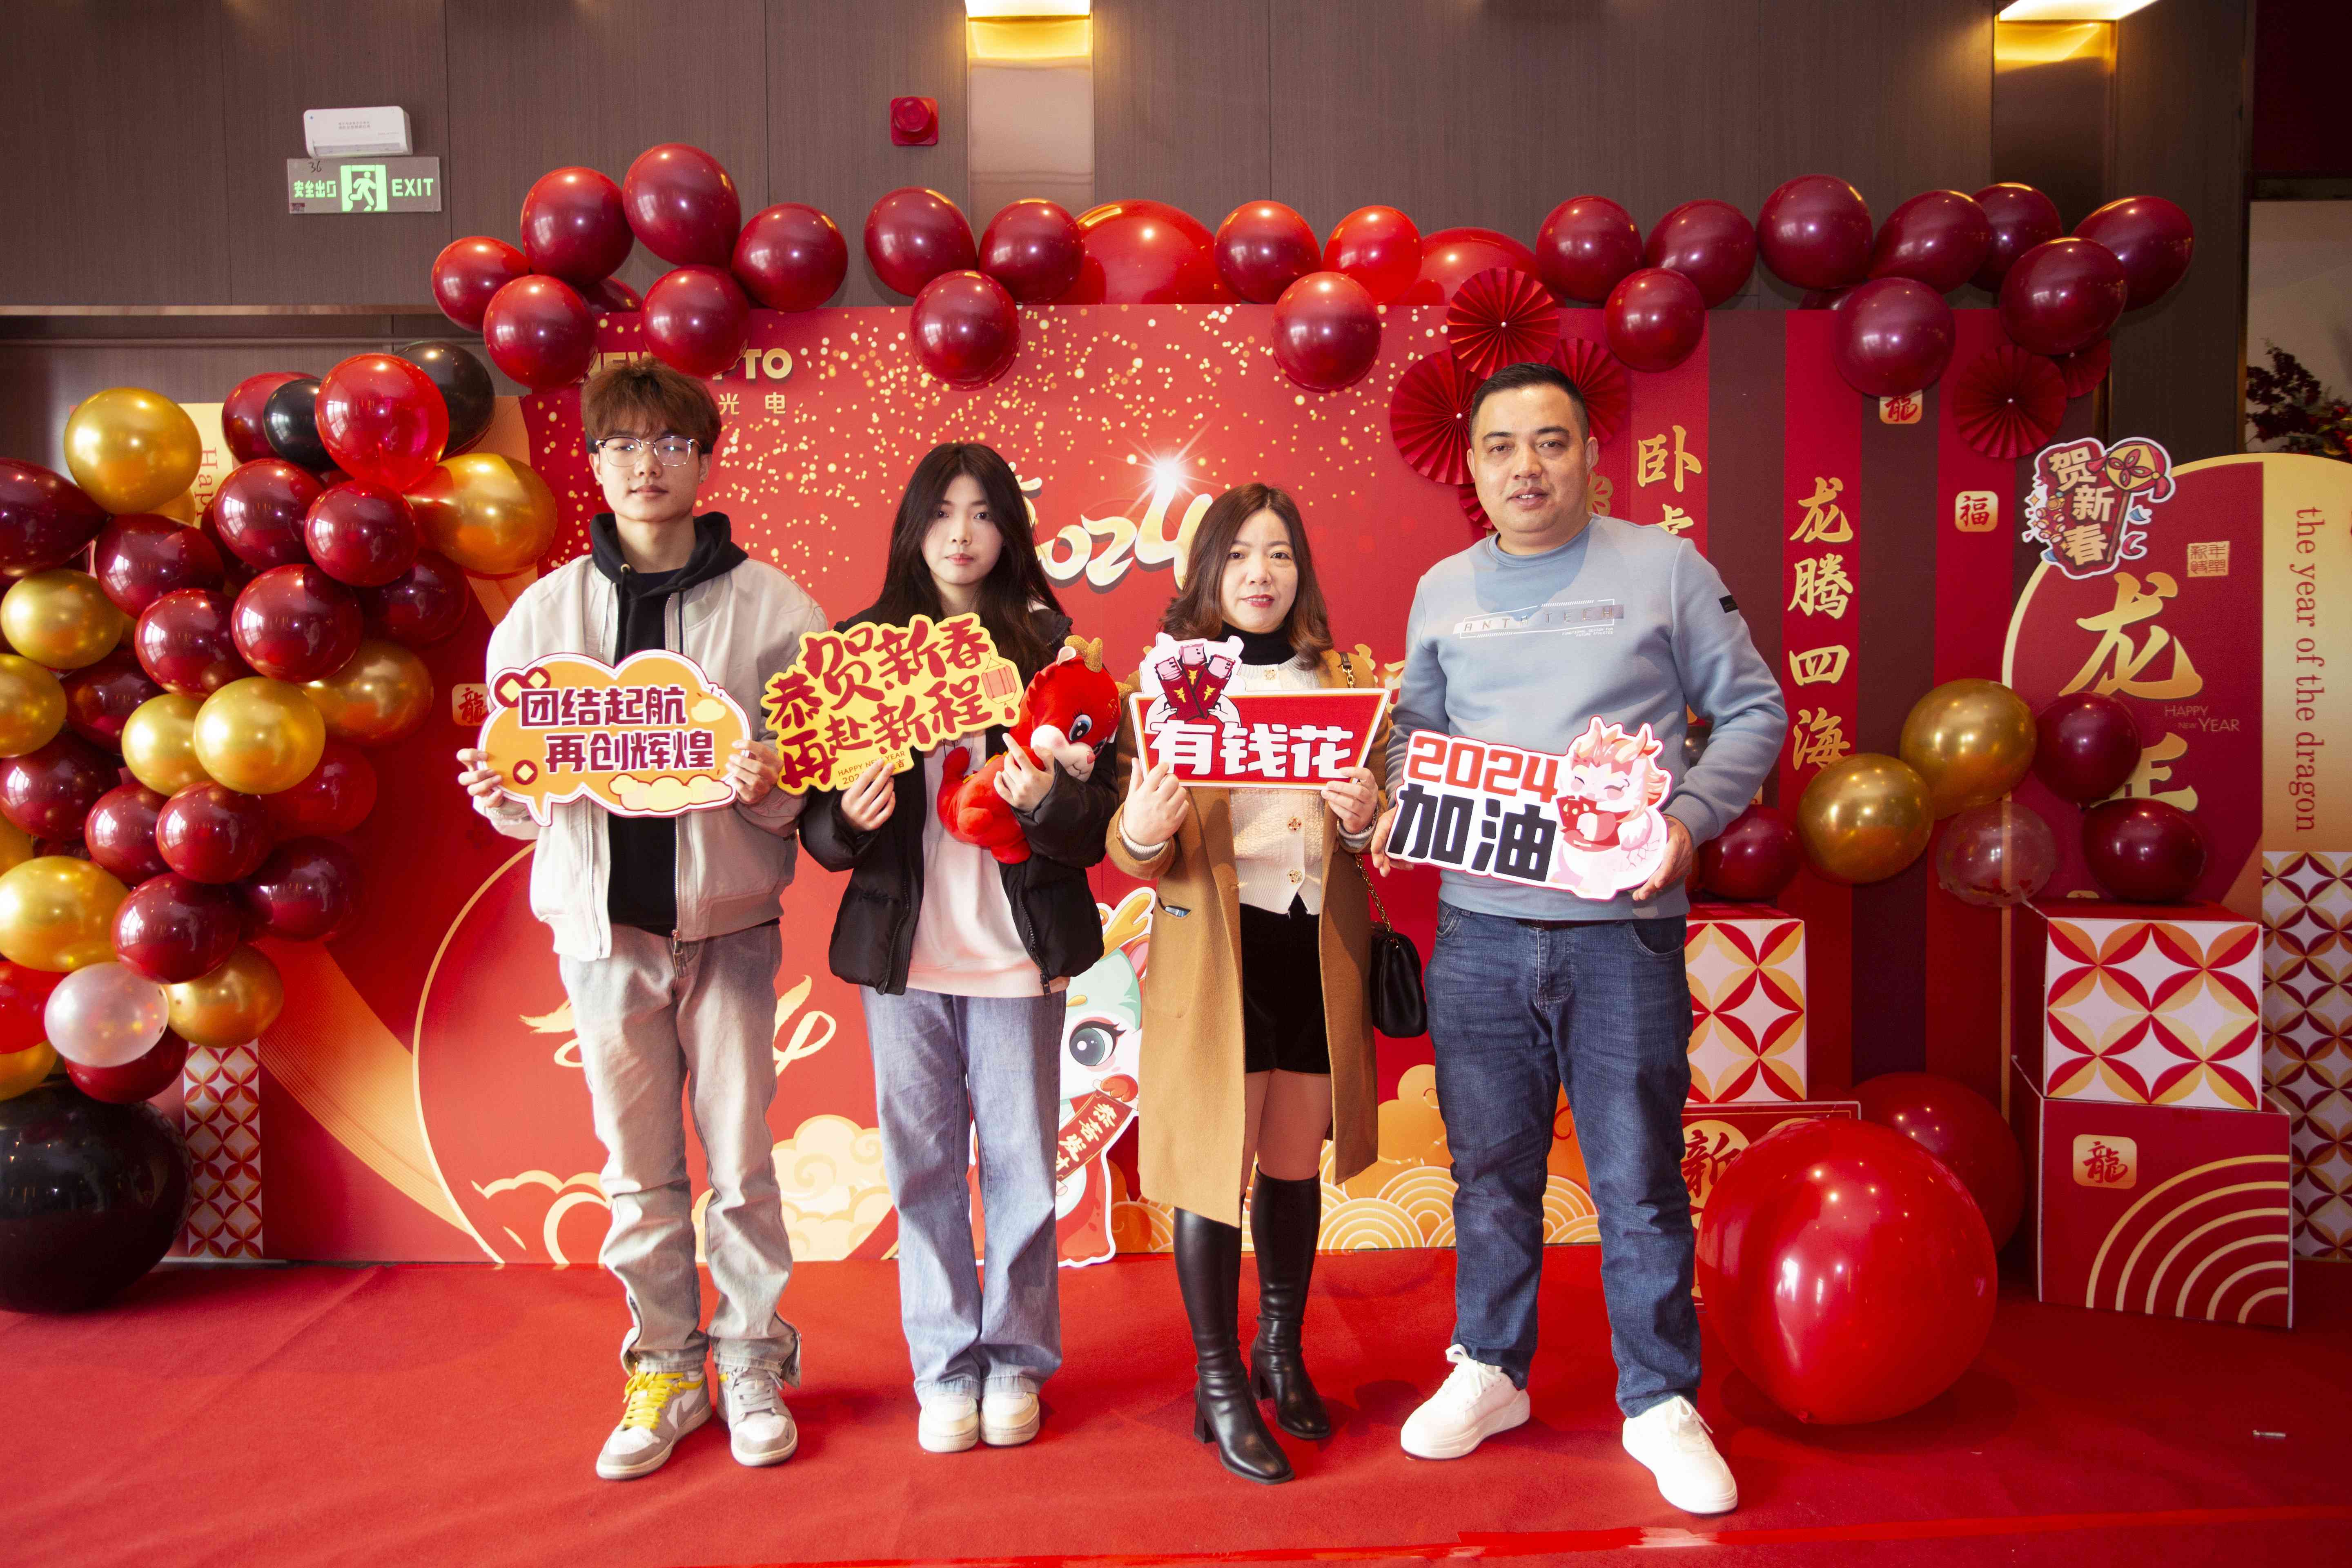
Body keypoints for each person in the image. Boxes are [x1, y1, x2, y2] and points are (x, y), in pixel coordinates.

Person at [1374, 361, 1784, 1514]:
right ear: (1472, 465)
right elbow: (1414, 738)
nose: (1528, 468)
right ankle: (1492, 1369)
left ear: (1592, 456)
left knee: (1639, 1179)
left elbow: (1754, 710)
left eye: (1551, 443)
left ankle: (1658, 1398)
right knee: (1489, 1174)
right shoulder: (1443, 589)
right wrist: (1398, 797)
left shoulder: (1664, 568)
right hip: (1479, 933)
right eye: (1502, 447)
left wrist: (1689, 822)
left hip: (1622, 936)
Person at [455, 361, 826, 1481]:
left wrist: (772, 779)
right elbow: (530, 796)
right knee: (637, 1168)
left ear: (703, 460)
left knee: (743, 1162)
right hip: (603, 934)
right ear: (595, 462)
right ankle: (665, 1366)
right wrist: (502, 792)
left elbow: (813, 774)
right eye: (622, 445)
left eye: (670, 444)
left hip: (731, 928)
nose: (646, 465)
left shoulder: (778, 609)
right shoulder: (544, 614)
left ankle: (751, 1358)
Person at [798, 442, 1116, 1455]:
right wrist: (847, 819)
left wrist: (1050, 798)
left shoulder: (1058, 652)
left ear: (1009, 530)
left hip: (1018, 955)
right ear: (914, 527)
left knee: (1023, 1169)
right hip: (906, 961)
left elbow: (1099, 827)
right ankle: (944, 1368)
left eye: (983, 513)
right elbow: (817, 830)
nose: (963, 534)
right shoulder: (859, 651)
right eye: (943, 512)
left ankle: (1015, 1361)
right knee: (923, 1170)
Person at [1109, 483, 1384, 1485]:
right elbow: (1133, 849)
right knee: (1211, 1173)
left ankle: (1281, 1348)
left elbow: (1368, 841)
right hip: (1218, 954)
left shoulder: (1343, 682)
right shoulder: (1167, 686)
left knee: (1292, 1165)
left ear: (1301, 571)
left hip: (1315, 949)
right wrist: (1144, 825)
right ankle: (1218, 1381)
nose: (1260, 574)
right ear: (1205, 574)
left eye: (1279, 554)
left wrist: (1364, 816)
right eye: (1237, 556)